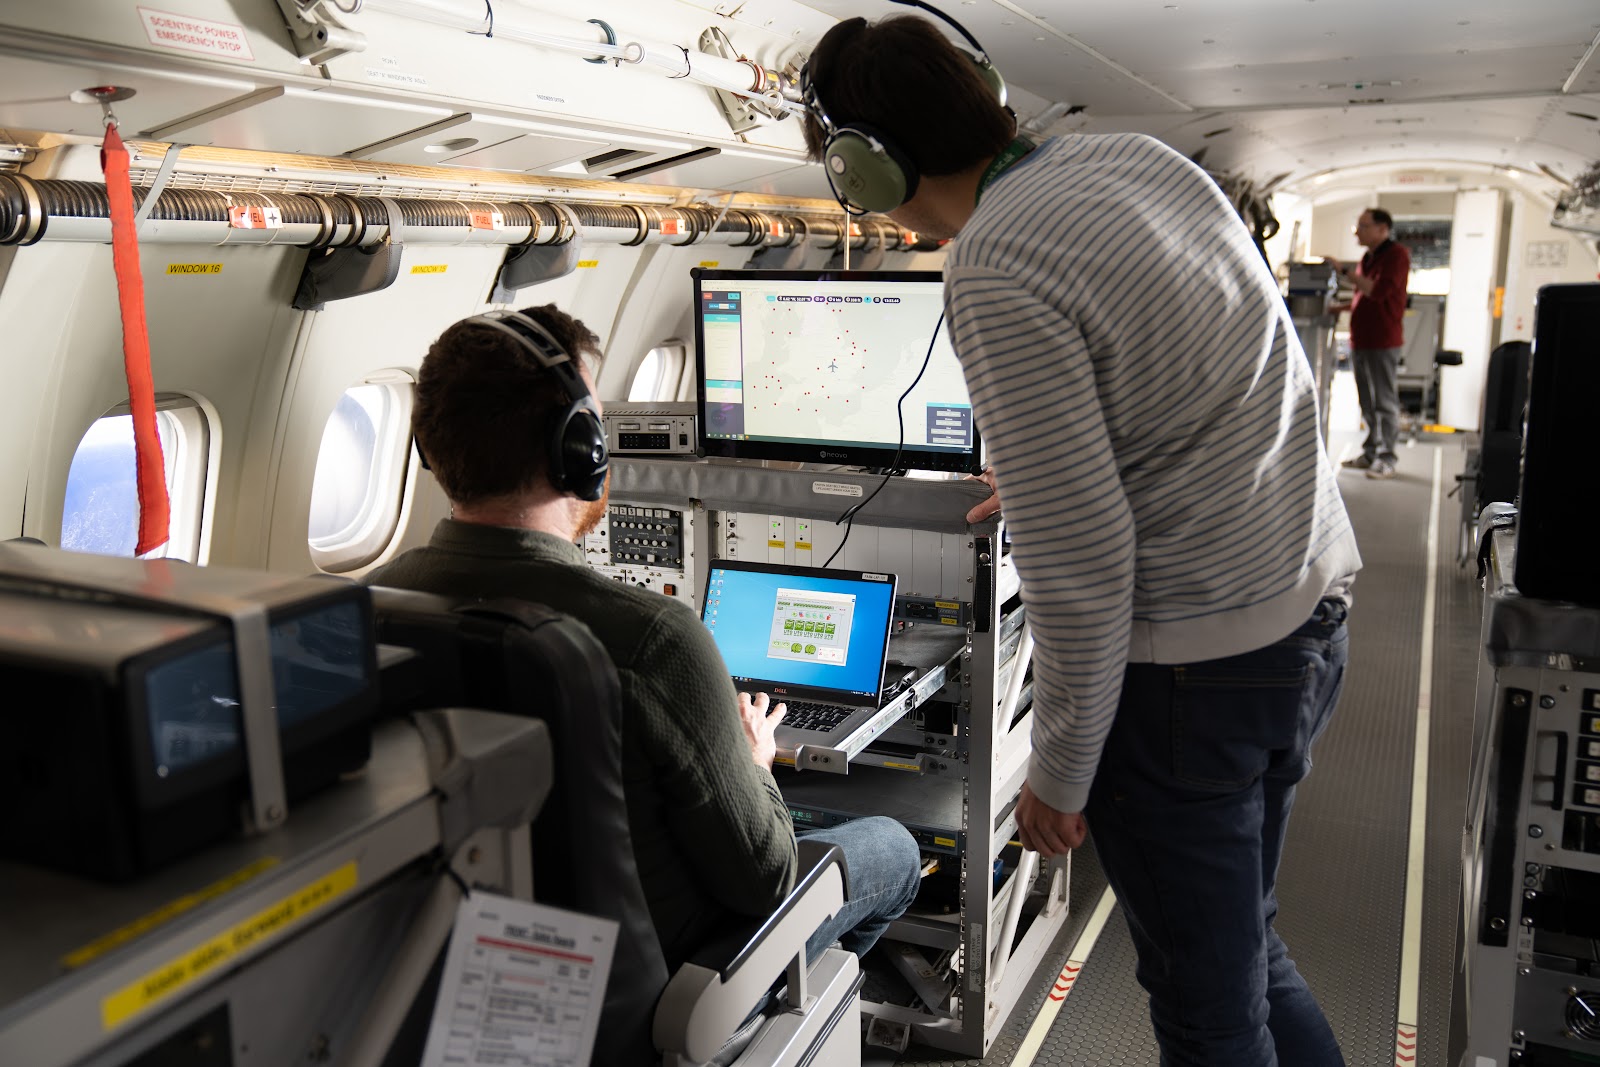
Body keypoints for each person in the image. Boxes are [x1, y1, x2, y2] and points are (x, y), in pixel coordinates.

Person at [801, 15, 1361, 1067]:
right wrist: (1057, 468)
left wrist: (1058, 770)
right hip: (1307, 608)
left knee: (1206, 1007)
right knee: (1243, 952)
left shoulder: (992, 265)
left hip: (1194, 671)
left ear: (865, 168)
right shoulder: (1142, 162)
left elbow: (1082, 565)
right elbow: (1224, 369)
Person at [366, 304, 920, 974]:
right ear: (580, 452)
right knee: (891, 846)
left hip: (461, 959)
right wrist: (754, 762)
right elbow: (765, 877)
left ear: (432, 449)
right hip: (665, 982)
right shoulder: (654, 640)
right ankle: (779, 1011)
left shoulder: (366, 606)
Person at [1327, 208, 1412, 480]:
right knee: (1367, 401)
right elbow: (1360, 299)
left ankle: (1387, 457)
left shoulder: (1396, 256)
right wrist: (1339, 307)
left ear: (1382, 229)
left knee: (1384, 401)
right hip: (1361, 340)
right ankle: (1371, 451)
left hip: (1382, 340)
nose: (1358, 232)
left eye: (1363, 226)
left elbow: (1378, 291)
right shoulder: (1368, 257)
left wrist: (1344, 271)